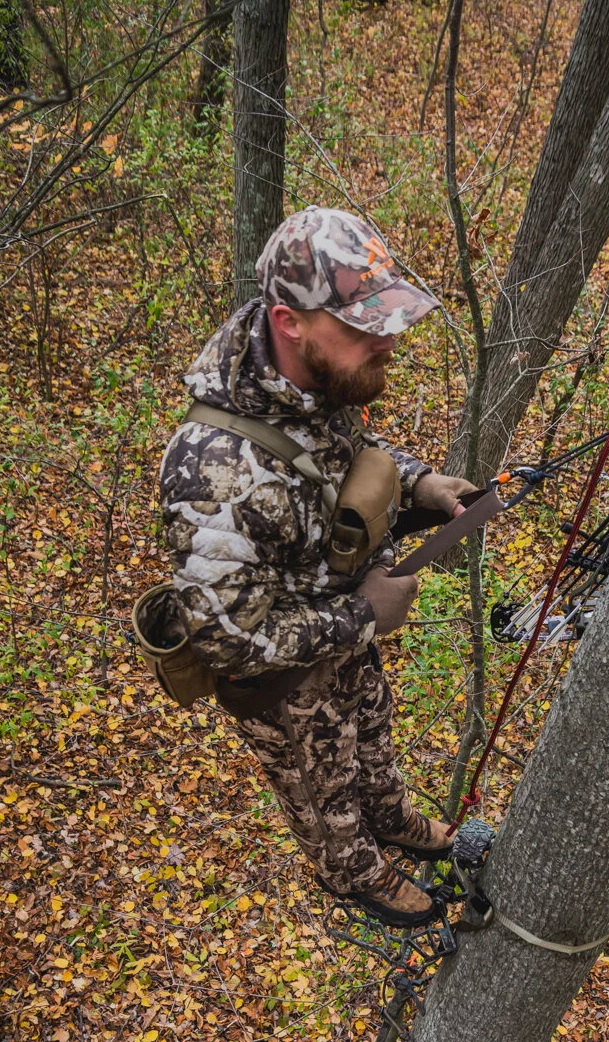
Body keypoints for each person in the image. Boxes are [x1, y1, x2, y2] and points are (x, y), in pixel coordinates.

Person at [158, 206, 476, 926]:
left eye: (389, 321)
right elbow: (224, 640)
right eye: (365, 327)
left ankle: (392, 820)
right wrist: (363, 613)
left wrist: (419, 480)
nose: (388, 343)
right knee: (322, 788)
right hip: (284, 683)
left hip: (340, 632)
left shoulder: (310, 382)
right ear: (289, 320)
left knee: (371, 741)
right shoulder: (213, 473)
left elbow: (330, 454)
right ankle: (355, 874)